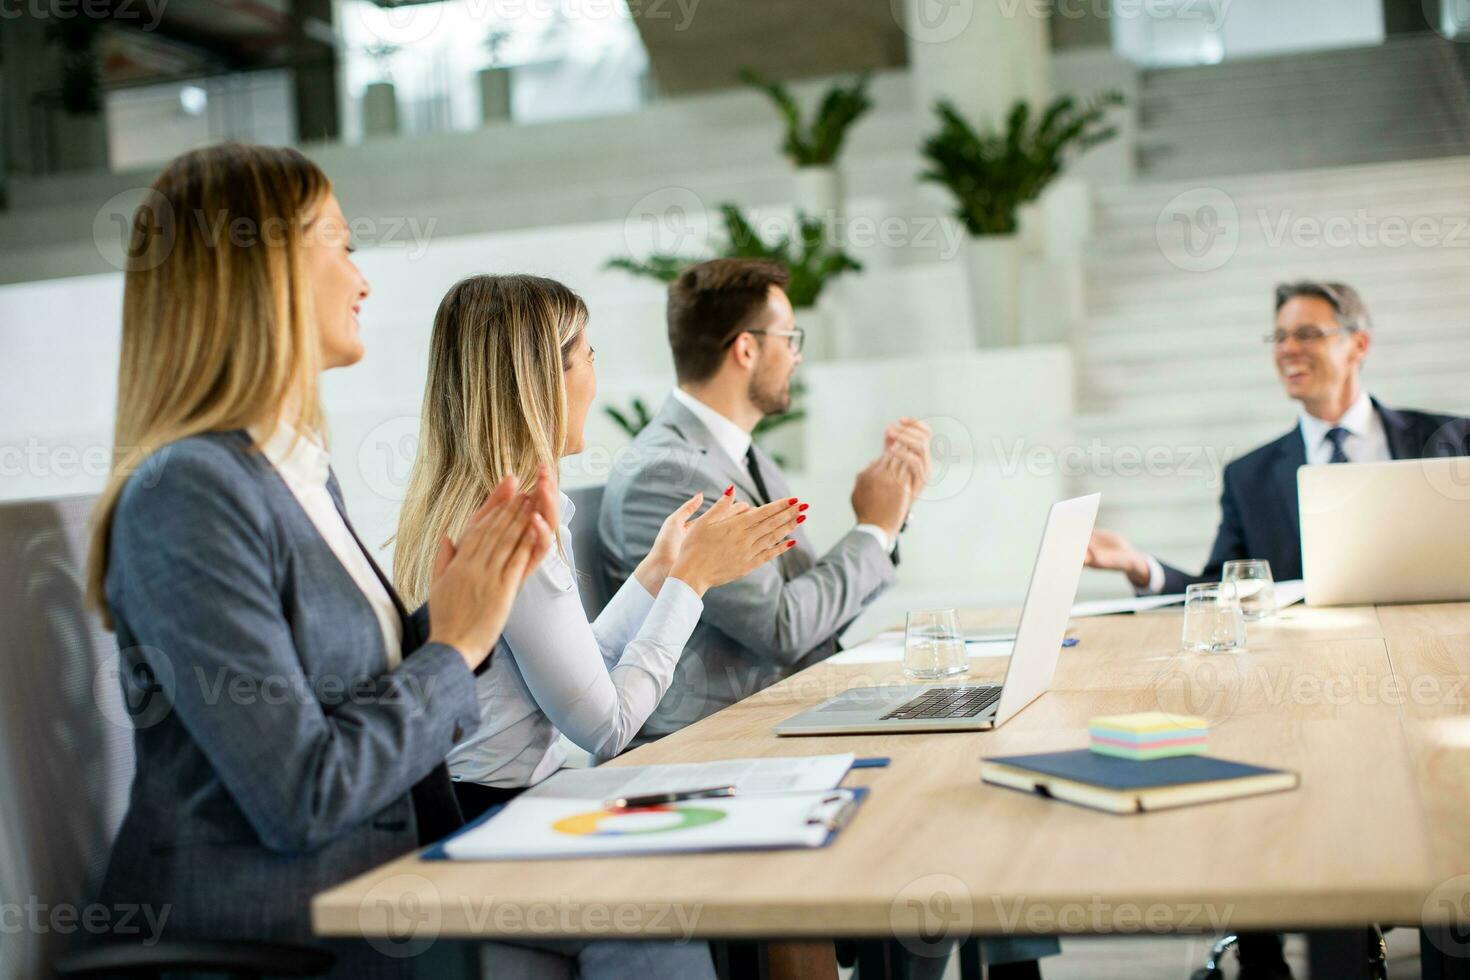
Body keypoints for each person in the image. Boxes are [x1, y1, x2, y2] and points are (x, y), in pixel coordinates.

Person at [86, 143, 553, 979]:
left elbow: (340, 686)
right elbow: (302, 793)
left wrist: (468, 600)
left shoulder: (296, 474)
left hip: (375, 909)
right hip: (264, 946)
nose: (363, 280)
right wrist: (453, 647)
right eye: (341, 243)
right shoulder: (188, 492)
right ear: (262, 268)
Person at [597, 257, 1057, 979]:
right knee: (941, 806)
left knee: (978, 768)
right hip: (727, 741)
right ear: (746, 348)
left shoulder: (736, 456)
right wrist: (872, 532)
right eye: (792, 336)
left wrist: (888, 518)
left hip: (786, 716)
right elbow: (782, 624)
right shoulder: (671, 469)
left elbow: (802, 603)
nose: (798, 355)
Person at [391, 274, 804, 979]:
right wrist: (691, 583)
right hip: (497, 814)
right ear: (540, 381)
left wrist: (657, 572)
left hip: (510, 799)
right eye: (586, 356)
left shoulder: (482, 509)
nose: (594, 375)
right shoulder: (508, 527)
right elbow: (606, 725)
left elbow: (578, 669)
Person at [1087, 281, 1470, 597]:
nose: (1287, 349)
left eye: (1307, 334)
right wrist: (1141, 567)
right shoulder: (1248, 478)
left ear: (1359, 345)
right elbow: (1222, 590)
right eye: (1280, 336)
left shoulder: (1452, 439)